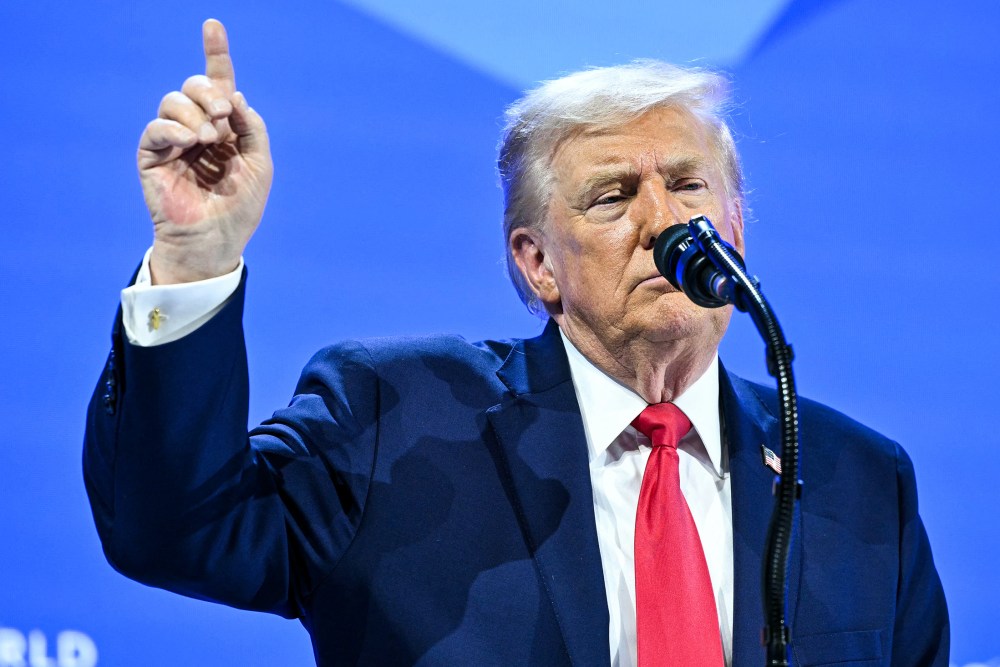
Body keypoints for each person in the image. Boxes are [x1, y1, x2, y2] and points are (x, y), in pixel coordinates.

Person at [84, 18, 949, 667]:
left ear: (735, 230)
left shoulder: (858, 480)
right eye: (612, 197)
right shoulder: (395, 418)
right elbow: (175, 531)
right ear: (537, 264)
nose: (664, 223)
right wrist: (196, 259)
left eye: (689, 185)